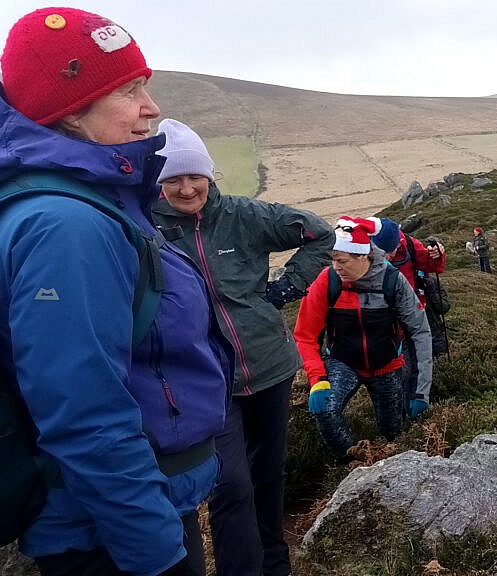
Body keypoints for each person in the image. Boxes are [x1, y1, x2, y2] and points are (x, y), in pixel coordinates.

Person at [0, 8, 229, 576]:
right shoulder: (66, 226)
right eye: (128, 90)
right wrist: (156, 557)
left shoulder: (92, 201)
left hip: (126, 509)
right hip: (108, 531)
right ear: (70, 109)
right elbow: (84, 414)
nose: (151, 108)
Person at [151, 119, 334, 576]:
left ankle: (276, 564)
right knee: (231, 485)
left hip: (270, 367)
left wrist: (285, 288)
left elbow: (318, 234)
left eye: (196, 175)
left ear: (210, 176)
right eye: (173, 178)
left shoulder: (240, 215)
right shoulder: (148, 228)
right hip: (209, 380)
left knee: (269, 476)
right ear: (159, 183)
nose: (187, 187)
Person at [294, 217, 433, 461]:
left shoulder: (392, 281)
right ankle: (352, 464)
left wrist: (421, 392)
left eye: (342, 260)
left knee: (393, 433)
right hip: (342, 362)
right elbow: (305, 336)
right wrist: (317, 379)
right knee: (326, 411)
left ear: (362, 256)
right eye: (333, 259)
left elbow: (419, 331)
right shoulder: (328, 282)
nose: (335, 266)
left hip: (387, 366)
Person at [370, 217, 447, 412]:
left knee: (417, 361)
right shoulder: (361, 255)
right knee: (401, 369)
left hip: (413, 314)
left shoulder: (410, 245)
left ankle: (414, 405)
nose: (391, 254)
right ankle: (403, 409)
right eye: (386, 252)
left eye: (394, 248)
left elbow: (432, 266)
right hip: (385, 322)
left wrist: (437, 254)